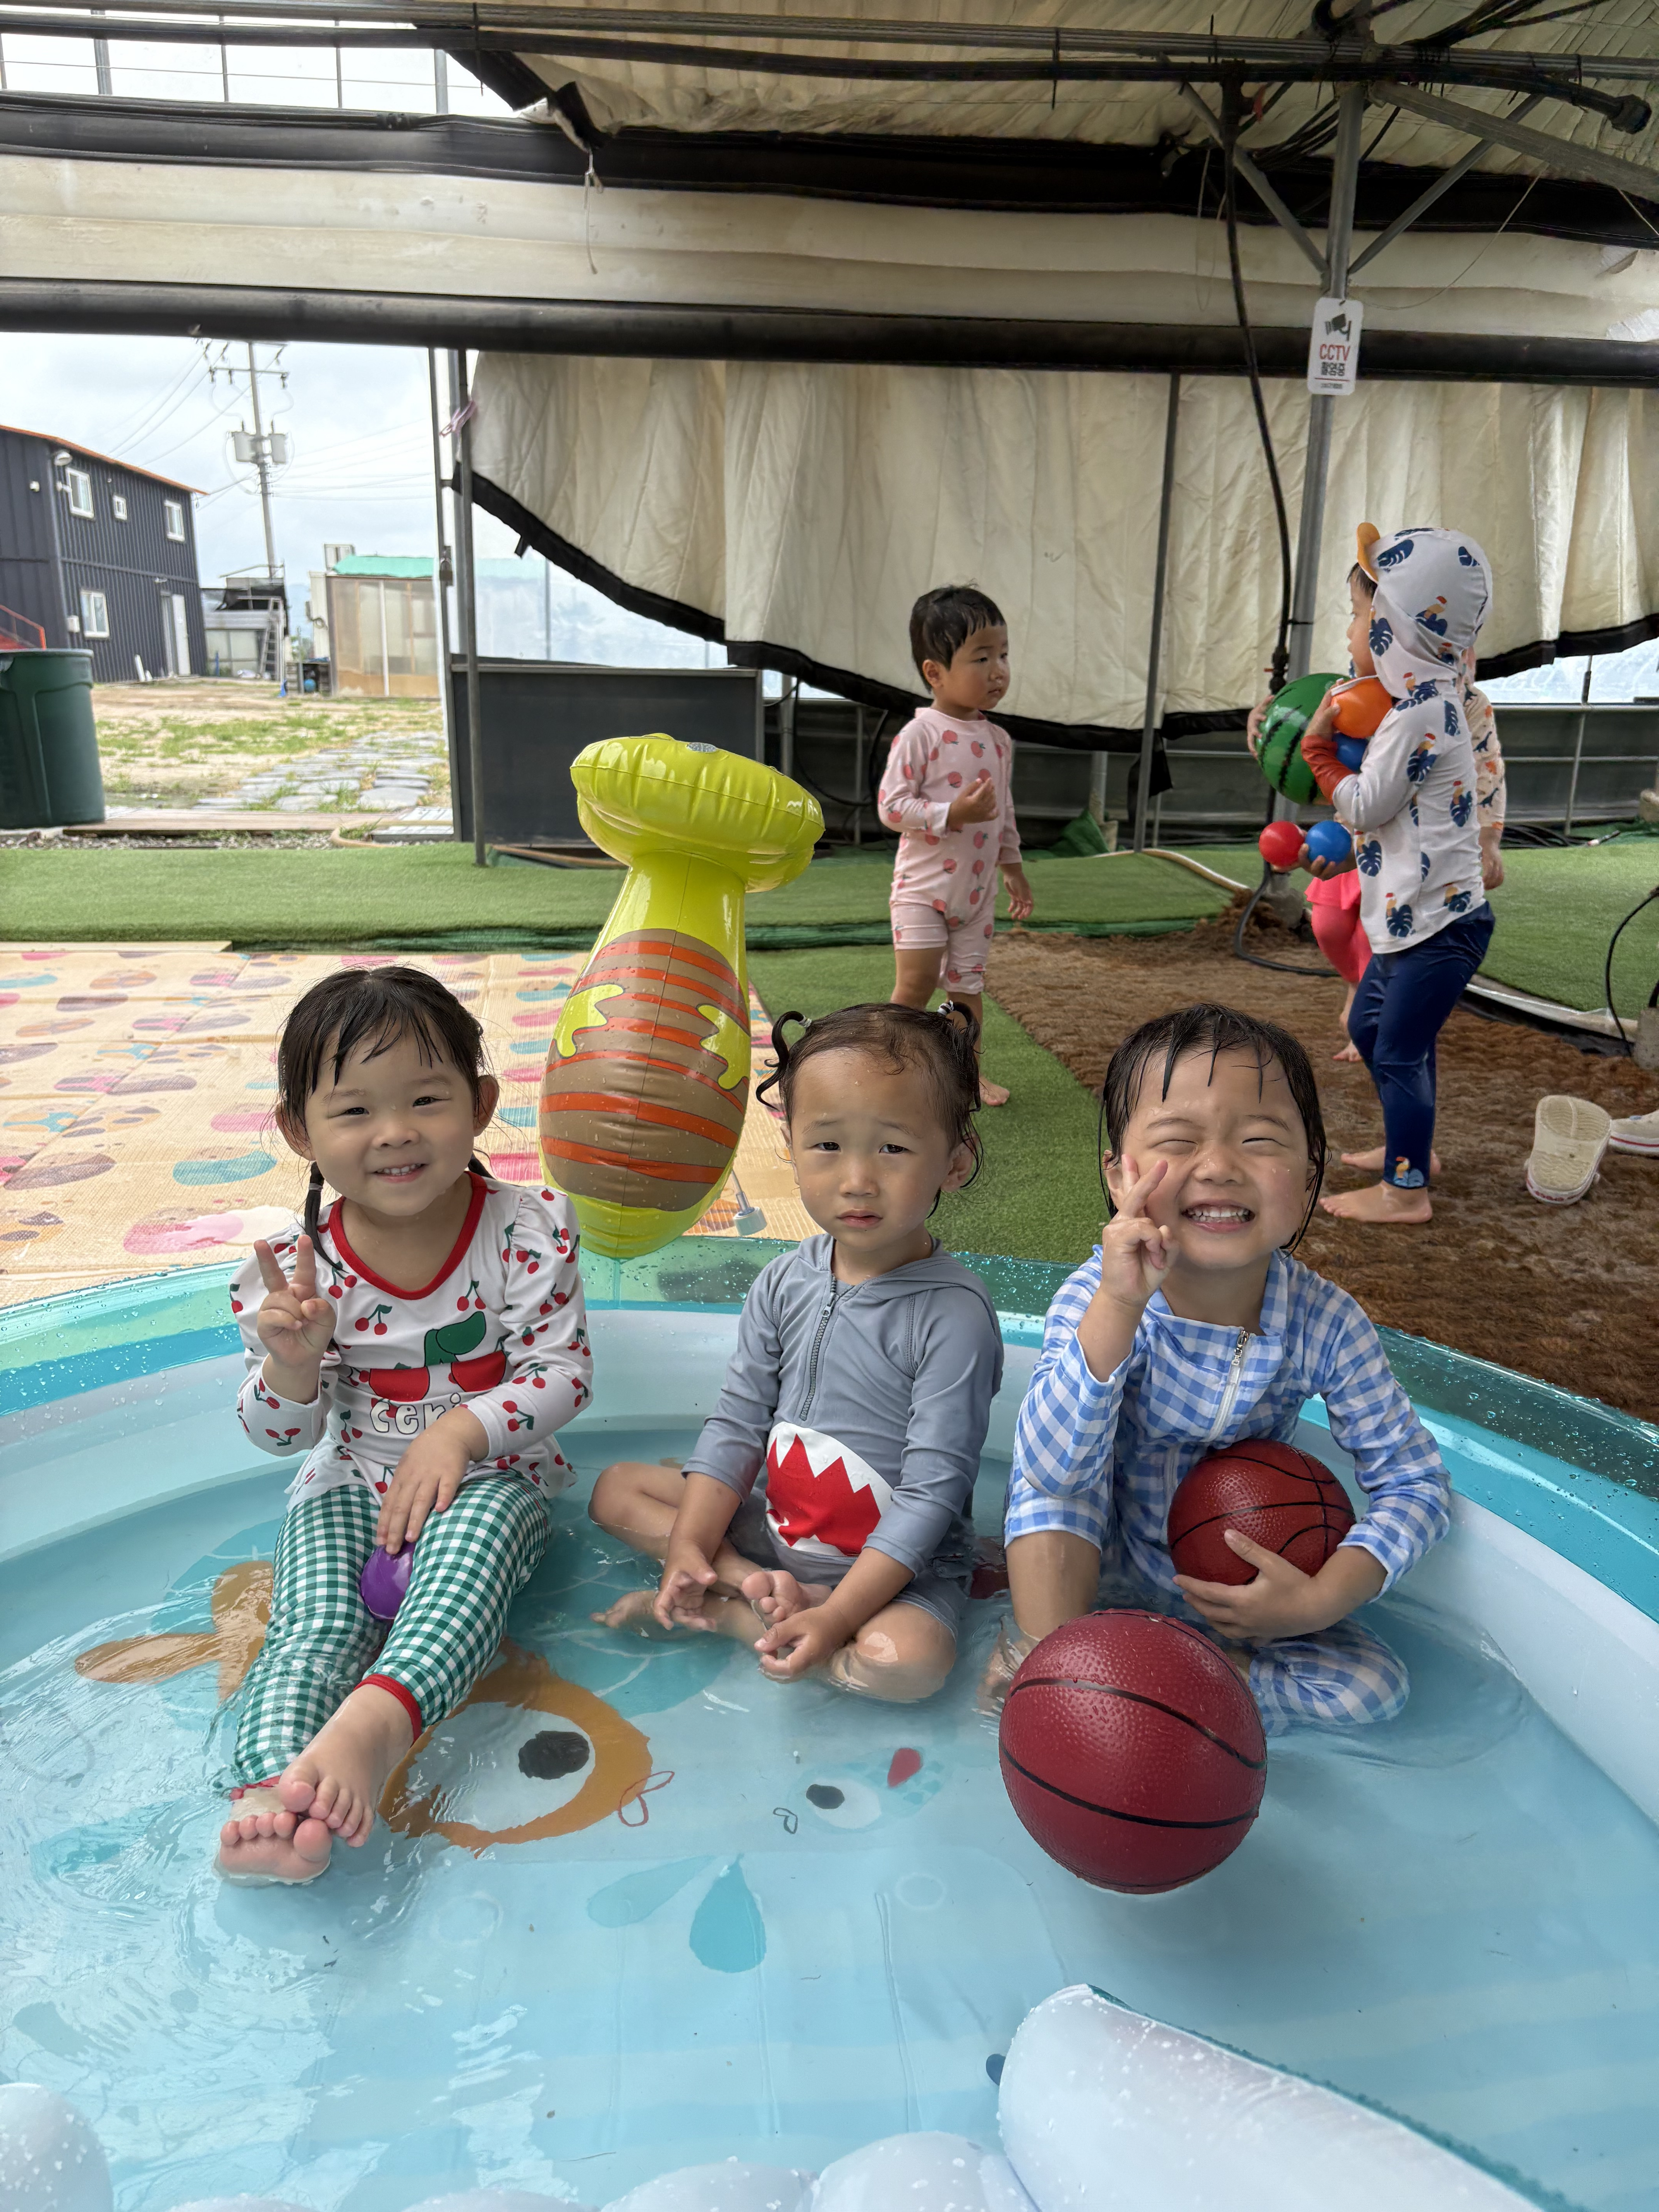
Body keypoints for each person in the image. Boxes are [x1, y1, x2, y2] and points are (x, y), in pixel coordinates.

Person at [216, 965, 590, 1884]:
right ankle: (269, 1789)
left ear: (481, 1105)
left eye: (426, 1099)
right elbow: (276, 1438)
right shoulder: (294, 1274)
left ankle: (378, 1724)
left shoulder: (524, 1231)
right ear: (299, 1131)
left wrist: (457, 1435)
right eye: (354, 1111)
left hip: (492, 1475)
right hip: (351, 1479)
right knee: (313, 1625)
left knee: (459, 1578)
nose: (395, 1132)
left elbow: (563, 1374)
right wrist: (291, 1364)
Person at [981, 1002, 1450, 1730]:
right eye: (1178, 1140)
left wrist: (1322, 1596)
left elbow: (1415, 1482)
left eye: (1261, 1141)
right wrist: (1119, 1307)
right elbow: (1049, 1470)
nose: (1221, 1167)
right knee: (1052, 1499)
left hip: (1237, 1586)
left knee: (1373, 1693)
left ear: (1310, 1178)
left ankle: (1175, 1674)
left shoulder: (1326, 1322)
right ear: (1120, 1178)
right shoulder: (1099, 1294)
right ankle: (1045, 1658)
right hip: (1095, 1559)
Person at [590, 1002, 1003, 1702]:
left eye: (893, 1149)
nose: (857, 1179)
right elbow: (737, 1424)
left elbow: (932, 1493)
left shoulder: (953, 1316)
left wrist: (838, 1615)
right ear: (791, 1142)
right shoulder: (785, 1280)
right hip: (776, 1527)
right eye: (828, 1144)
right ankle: (739, 1584)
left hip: (899, 1570)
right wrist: (690, 1549)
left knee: (906, 1665)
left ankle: (735, 1618)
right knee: (617, 1491)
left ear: (955, 1161)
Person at [1296, 526, 1498, 1224]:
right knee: (1377, 1033)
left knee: (1400, 1049)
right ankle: (1411, 1147)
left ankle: (1405, 1191)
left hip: (1439, 928)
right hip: (1416, 921)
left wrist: (1318, 752)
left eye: (1360, 616)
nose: (1351, 631)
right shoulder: (1422, 705)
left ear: (1396, 630)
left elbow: (1364, 805)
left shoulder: (1418, 717)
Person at [878, 584, 1034, 1107]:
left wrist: (1013, 866)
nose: (998, 671)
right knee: (917, 984)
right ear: (935, 673)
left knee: (967, 990)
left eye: (1004, 655)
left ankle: (968, 1076)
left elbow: (1004, 809)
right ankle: (890, 1071)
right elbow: (891, 807)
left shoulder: (999, 741)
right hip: (922, 892)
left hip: (977, 896)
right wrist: (952, 814)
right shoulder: (920, 735)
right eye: (981, 658)